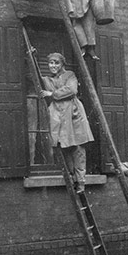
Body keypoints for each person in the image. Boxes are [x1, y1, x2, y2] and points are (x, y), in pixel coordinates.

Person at [39, 52, 94, 193]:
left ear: (62, 64)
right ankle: (72, 178)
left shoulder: (70, 75)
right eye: (51, 63)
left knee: (78, 148)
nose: (53, 66)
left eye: (56, 63)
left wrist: (52, 94)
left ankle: (81, 182)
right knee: (64, 147)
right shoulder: (48, 80)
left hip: (73, 115)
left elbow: (71, 89)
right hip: (59, 116)